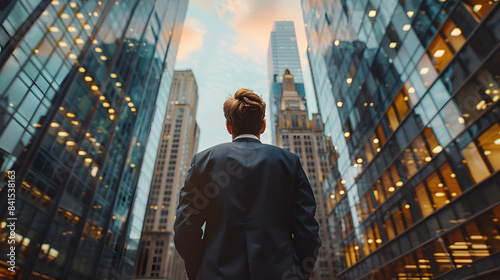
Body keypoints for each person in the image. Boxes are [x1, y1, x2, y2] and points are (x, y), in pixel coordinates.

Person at [174, 88, 321, 280]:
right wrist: (299, 273)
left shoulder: (203, 161)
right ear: (263, 125)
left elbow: (185, 228)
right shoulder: (289, 162)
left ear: (228, 126)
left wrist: (200, 271)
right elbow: (308, 233)